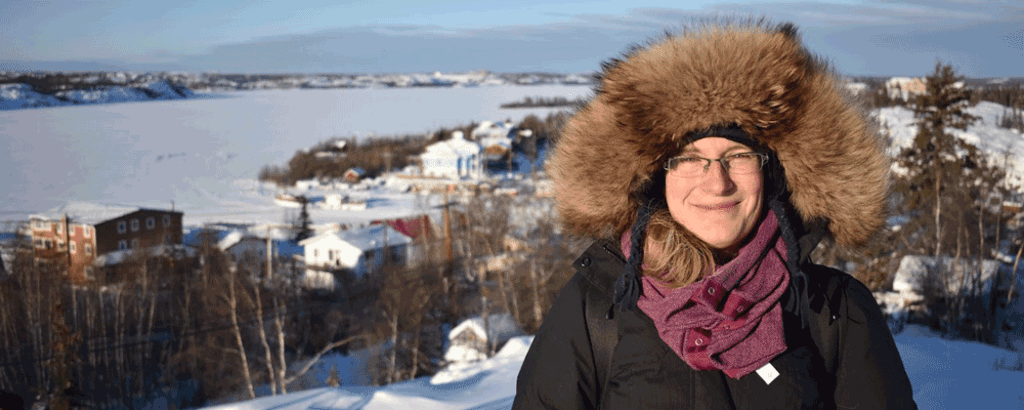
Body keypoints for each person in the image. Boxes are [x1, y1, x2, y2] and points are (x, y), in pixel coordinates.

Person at [512, 20, 917, 409]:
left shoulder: (833, 311)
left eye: (738, 156)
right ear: (656, 179)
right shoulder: (598, 307)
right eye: (689, 159)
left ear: (773, 174)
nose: (717, 183)